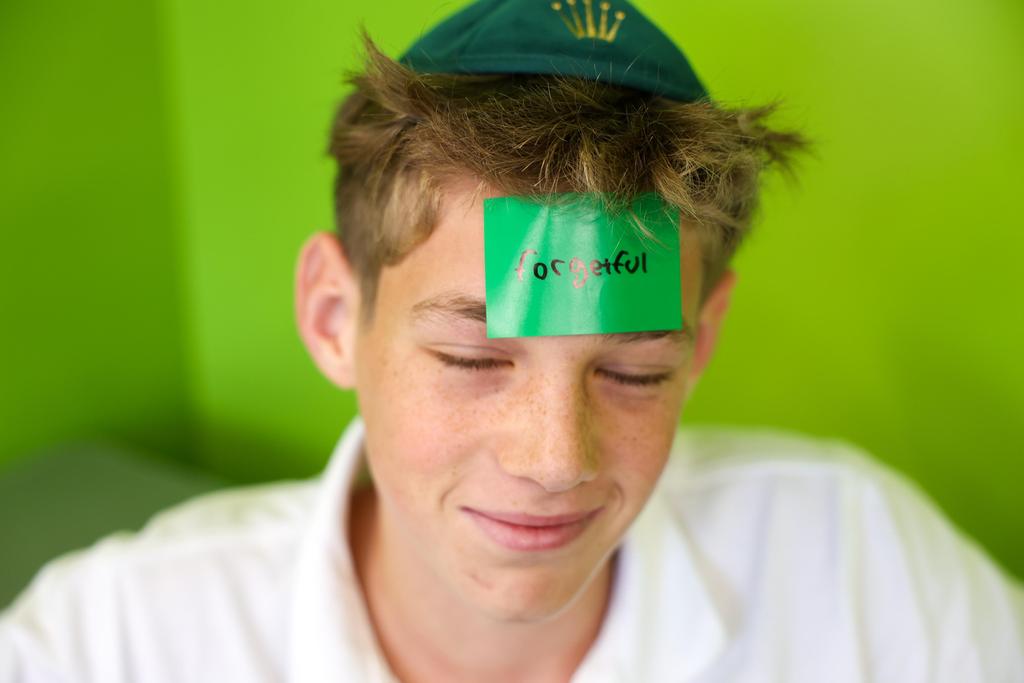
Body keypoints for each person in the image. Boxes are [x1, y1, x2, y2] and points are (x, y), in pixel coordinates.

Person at [2, 1, 1023, 681]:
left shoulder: (865, 569)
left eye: (632, 370)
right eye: (472, 358)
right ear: (333, 317)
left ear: (702, 339)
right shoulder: (111, 642)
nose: (554, 458)